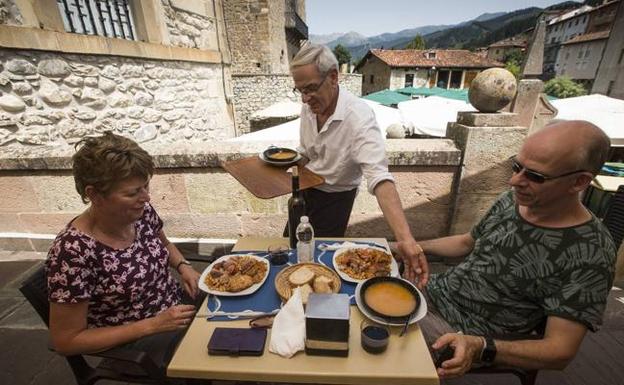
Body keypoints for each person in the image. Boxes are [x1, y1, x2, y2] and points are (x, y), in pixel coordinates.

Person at [416, 120, 617, 378]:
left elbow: (560, 351)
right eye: (517, 167)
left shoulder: (591, 252)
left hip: (464, 333)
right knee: (356, 293)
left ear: (579, 182)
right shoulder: (514, 200)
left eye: (535, 176)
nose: (514, 181)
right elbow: (467, 242)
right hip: (432, 293)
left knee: (367, 337)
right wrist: (406, 246)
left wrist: (481, 346)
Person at [46, 132, 202, 375]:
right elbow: (65, 341)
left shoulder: (140, 213)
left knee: (245, 314)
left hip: (175, 308)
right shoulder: (72, 252)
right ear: (95, 195)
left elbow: (165, 245)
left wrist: (183, 266)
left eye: (145, 187)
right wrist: (152, 325)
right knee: (222, 349)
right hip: (138, 342)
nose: (146, 198)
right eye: (132, 193)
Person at [288, 41, 428, 288]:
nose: (305, 98)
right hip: (304, 191)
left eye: (310, 89)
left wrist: (405, 238)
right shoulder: (309, 107)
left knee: (320, 265)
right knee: (292, 251)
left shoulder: (359, 117)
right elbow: (307, 152)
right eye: (299, 90)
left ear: (333, 77)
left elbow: (379, 177)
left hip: (335, 198)